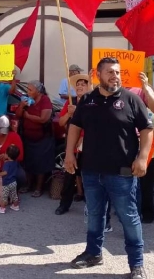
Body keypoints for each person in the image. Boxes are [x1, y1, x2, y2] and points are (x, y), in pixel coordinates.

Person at [64, 57, 153, 279]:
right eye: (110, 72)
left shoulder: (132, 99)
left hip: (122, 171)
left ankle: (136, 264)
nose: (115, 76)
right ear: (98, 74)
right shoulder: (87, 101)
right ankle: (94, 253)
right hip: (91, 170)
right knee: (94, 214)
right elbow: (75, 126)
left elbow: (147, 129)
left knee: (128, 216)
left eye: (118, 72)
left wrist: (142, 158)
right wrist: (69, 154)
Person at [55, 72, 91, 215]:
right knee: (69, 176)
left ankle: (91, 207)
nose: (80, 87)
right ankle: (64, 205)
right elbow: (61, 122)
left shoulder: (93, 103)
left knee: (89, 177)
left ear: (89, 86)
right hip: (71, 145)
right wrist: (69, 114)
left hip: (88, 145)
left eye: (83, 84)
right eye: (78, 84)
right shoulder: (70, 102)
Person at [15, 80, 54, 197]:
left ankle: (39, 188)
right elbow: (18, 115)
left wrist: (28, 116)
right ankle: (28, 185)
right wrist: (22, 106)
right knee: (28, 162)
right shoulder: (27, 100)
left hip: (43, 138)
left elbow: (44, 119)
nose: (28, 92)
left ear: (38, 91)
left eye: (30, 90)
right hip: (28, 137)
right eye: (27, 89)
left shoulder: (45, 100)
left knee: (40, 164)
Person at [0, 144, 21, 214]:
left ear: (8, 155)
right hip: (13, 182)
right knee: (14, 195)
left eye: (5, 153)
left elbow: (5, 173)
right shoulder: (15, 162)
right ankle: (16, 206)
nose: (4, 154)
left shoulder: (7, 164)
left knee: (4, 196)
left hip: (7, 183)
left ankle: (2, 208)